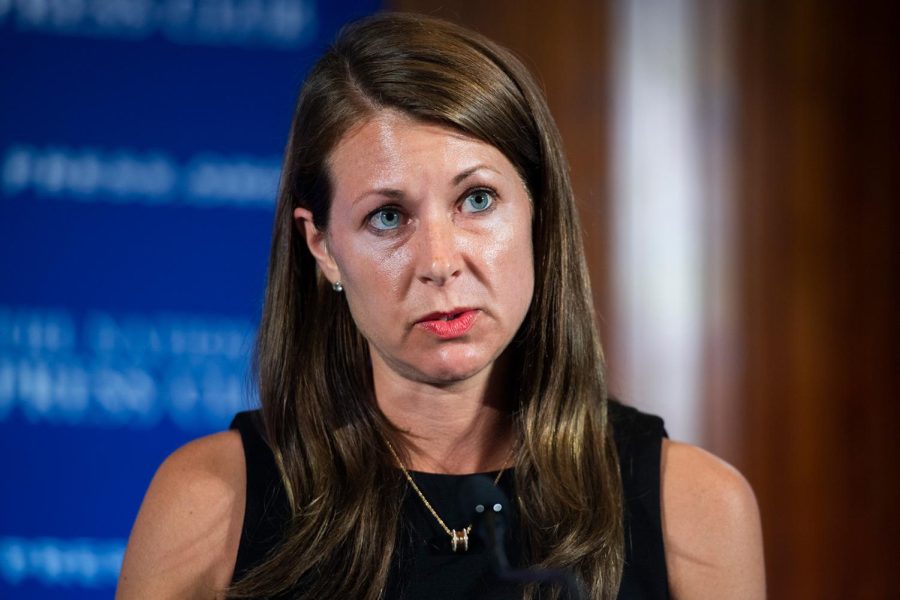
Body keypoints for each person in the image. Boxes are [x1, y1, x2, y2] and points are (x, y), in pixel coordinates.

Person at [116, 12, 764, 600]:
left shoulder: (696, 510)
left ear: (537, 209)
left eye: (477, 200)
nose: (439, 260)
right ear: (322, 246)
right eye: (388, 216)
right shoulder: (207, 505)